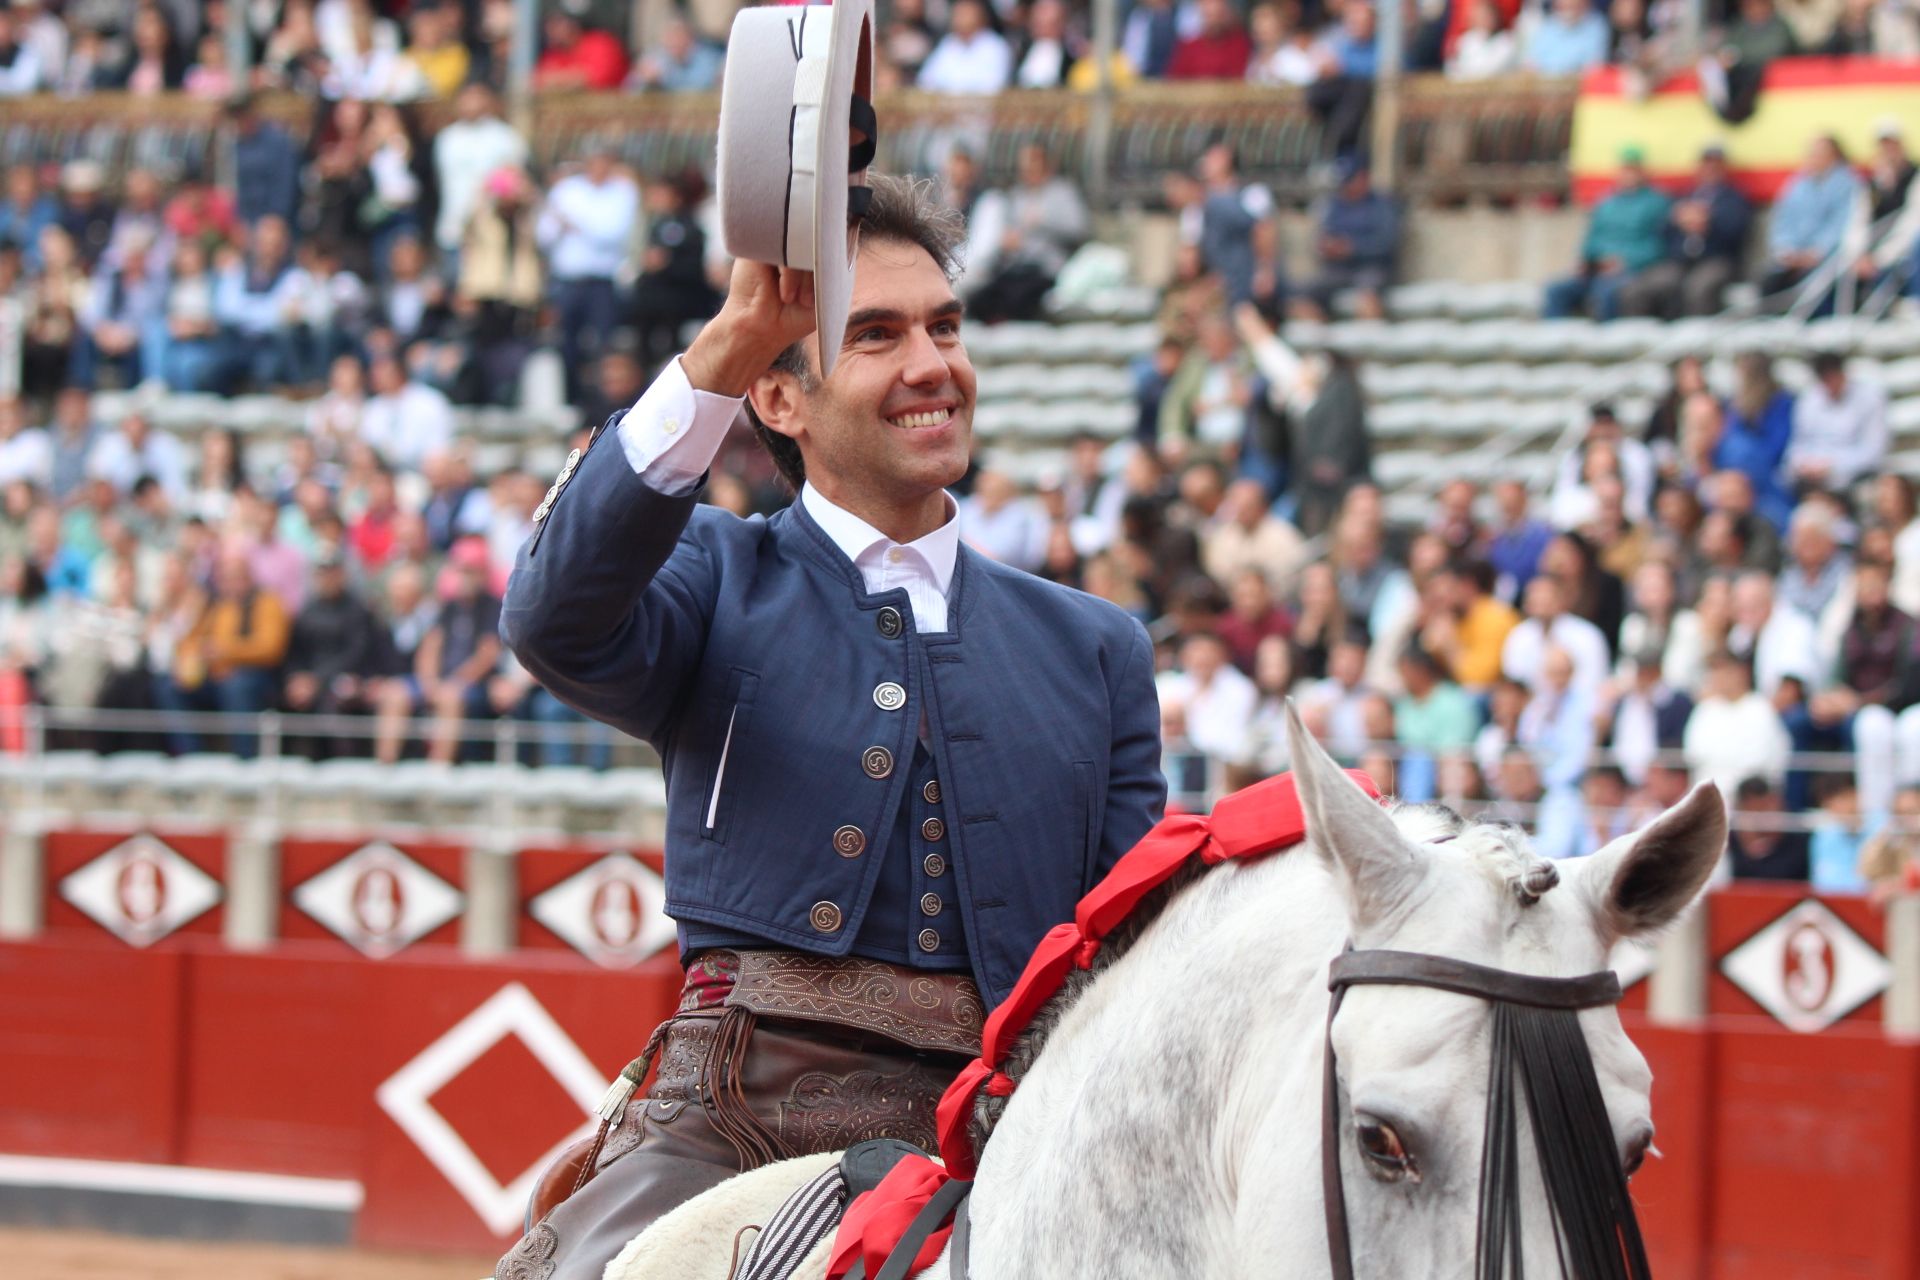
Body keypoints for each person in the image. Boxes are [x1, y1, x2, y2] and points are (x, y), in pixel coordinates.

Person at [494, 175, 1164, 1280]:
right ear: (780, 398)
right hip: (729, 1124)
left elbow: (1133, 948)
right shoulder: (714, 575)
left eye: (944, 327)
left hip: (1015, 1141)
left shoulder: (1095, 647)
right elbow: (552, 612)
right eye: (876, 336)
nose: (931, 366)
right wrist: (732, 337)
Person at [1619, 144, 1753, 318]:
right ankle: (1641, 336)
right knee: (1639, 289)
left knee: (1698, 288)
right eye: (1706, 164)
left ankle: (1697, 340)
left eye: (1715, 164)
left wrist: (1708, 223)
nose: (1710, 169)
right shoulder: (1685, 195)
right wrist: (1678, 221)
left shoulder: (1733, 198)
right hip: (1680, 261)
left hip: (1716, 261)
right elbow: (1663, 231)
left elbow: (1736, 236)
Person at [1543, 148, 1671, 322]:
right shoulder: (1606, 203)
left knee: (1606, 292)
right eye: (1625, 169)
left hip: (1630, 271)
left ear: (1642, 172)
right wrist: (1584, 262)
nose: (1628, 175)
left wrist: (1626, 262)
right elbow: (1592, 238)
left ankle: (1605, 345)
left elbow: (1659, 245)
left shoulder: (1657, 203)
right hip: (1596, 269)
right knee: (1556, 290)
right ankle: (1556, 341)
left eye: (1633, 169)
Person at [1757, 136, 1861, 301]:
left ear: (1835, 156)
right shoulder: (1797, 184)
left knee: (1812, 292)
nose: (1815, 158)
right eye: (1813, 153)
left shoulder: (1848, 185)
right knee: (1769, 283)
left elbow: (1842, 225)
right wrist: (1787, 250)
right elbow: (1783, 220)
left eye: (1821, 153)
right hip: (1793, 256)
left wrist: (1815, 253)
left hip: (1826, 258)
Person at [1295, 157, 1399, 322]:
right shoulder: (1334, 206)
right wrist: (1326, 247)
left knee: (1367, 297)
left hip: (1371, 269)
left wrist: (1353, 248)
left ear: (1364, 177)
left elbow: (1386, 244)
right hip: (1338, 270)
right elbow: (1320, 238)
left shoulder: (1381, 205)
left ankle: (1368, 344)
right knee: (1300, 295)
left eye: (1350, 180)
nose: (1346, 186)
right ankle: (1321, 343)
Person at [1788, 352, 1889, 496]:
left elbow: (1874, 452)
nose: (1830, 384)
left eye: (1832, 377)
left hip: (1856, 479)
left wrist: (1833, 466)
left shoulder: (1870, 398)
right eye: (1824, 379)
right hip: (1813, 482)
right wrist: (1803, 464)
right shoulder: (1809, 400)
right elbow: (1798, 444)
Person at [916, 0, 1012, 93]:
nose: (959, 18)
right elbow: (926, 82)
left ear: (980, 16)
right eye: (957, 13)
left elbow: (993, 87)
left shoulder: (994, 46)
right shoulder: (949, 43)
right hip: (947, 107)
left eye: (965, 13)